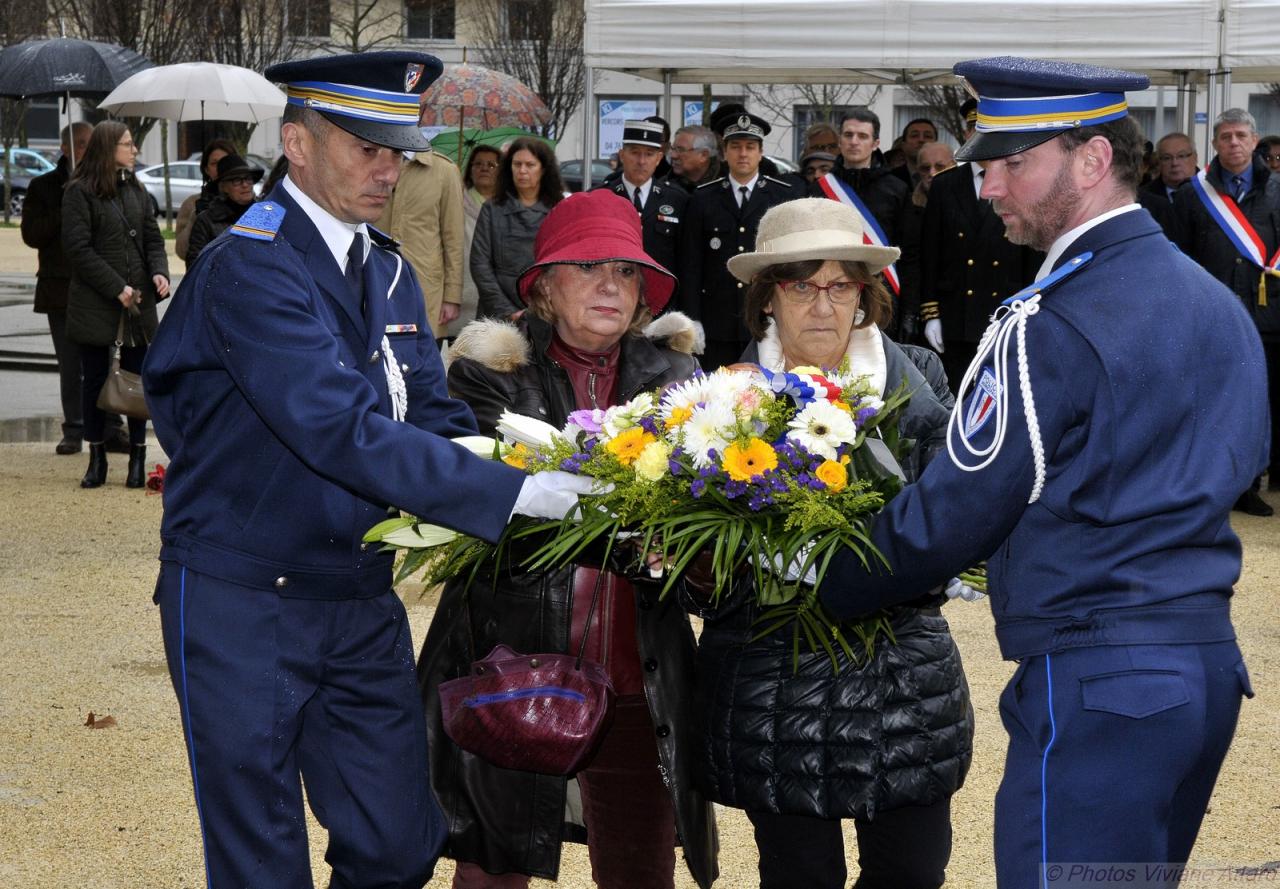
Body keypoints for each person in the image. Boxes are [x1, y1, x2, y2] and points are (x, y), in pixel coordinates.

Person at [140, 52, 597, 889]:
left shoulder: (383, 267)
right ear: (298, 144)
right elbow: (337, 428)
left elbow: (431, 414)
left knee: (397, 842)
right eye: (365, 148)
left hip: (356, 594)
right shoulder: (250, 265)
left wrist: (533, 460)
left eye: (398, 150)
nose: (388, 169)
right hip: (243, 596)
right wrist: (513, 495)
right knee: (259, 858)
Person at [812, 57, 1266, 888]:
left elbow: (960, 505)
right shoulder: (1218, 304)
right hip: (1202, 665)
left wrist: (821, 578)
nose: (987, 188)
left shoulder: (1048, 320)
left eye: (1011, 163)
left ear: (1092, 159)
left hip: (1101, 680)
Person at [419, 188, 715, 889]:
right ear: (545, 286)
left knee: (641, 870)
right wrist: (630, 521)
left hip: (640, 674)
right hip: (510, 657)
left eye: (625, 270)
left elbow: (700, 526)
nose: (610, 283)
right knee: (492, 869)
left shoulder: (678, 380)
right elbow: (487, 516)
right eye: (586, 267)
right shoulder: (490, 374)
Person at [691, 197, 973, 889]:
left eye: (840, 284)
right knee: (798, 876)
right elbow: (702, 569)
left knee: (911, 870)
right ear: (767, 298)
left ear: (864, 296)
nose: (823, 304)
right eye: (800, 284)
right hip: (773, 680)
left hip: (901, 679)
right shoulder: (722, 399)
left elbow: (949, 519)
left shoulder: (919, 381)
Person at [1172, 108, 1280, 517]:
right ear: (1214, 144)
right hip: (1212, 318)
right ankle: (1213, 483)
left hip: (1268, 316)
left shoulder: (1278, 191)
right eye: (1225, 136)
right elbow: (1177, 257)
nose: (1234, 143)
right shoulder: (1191, 194)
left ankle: (1249, 483)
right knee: (1214, 402)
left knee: (1259, 402)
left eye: (1241, 135)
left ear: (1255, 142)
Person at [62, 120, 170, 489]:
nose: (134, 149)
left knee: (138, 381)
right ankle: (97, 458)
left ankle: (138, 457)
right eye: (127, 144)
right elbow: (78, 249)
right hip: (96, 303)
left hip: (138, 303)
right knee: (94, 380)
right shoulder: (79, 193)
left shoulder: (137, 189)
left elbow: (153, 239)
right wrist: (115, 287)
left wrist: (158, 272)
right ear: (108, 149)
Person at [20, 121, 128, 456]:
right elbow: (32, 235)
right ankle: (75, 428)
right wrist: (65, 203)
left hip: (100, 288)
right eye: (80, 143)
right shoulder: (44, 186)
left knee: (107, 362)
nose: (86, 149)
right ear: (65, 148)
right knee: (71, 365)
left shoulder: (107, 184)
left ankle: (110, 426)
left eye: (91, 143)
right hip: (61, 290)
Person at [679, 110, 799, 369]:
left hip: (766, 318)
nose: (743, 154)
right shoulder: (702, 198)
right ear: (724, 152)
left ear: (760, 152)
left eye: (750, 147)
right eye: (735, 146)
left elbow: (791, 262)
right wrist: (693, 319)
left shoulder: (781, 196)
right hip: (717, 321)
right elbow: (691, 264)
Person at [918, 145, 1042, 391]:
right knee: (956, 394)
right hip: (956, 314)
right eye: (973, 127)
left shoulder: (1021, 180)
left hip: (1003, 311)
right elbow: (930, 253)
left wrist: (1029, 311)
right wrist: (931, 313)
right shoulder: (946, 184)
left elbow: (1032, 254)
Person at [810, 109, 918, 343]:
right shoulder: (821, 189)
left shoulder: (896, 190)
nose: (854, 142)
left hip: (882, 295)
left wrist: (910, 312)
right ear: (839, 140)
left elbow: (909, 255)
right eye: (848, 135)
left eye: (862, 136)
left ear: (876, 142)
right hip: (831, 293)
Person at [378, 141, 465, 342]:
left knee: (422, 360)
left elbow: (454, 239)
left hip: (426, 288)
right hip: (377, 281)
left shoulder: (444, 171)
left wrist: (452, 297)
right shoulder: (371, 160)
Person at [471, 136, 564, 321]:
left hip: (546, 311)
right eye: (517, 164)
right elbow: (480, 264)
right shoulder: (492, 208)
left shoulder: (559, 209)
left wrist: (542, 308)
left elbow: (564, 266)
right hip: (496, 312)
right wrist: (507, 311)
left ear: (543, 169)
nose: (522, 171)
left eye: (530, 165)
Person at [602, 119, 687, 295]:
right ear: (622, 154)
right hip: (613, 294)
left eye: (649, 154)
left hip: (660, 299)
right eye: (635, 152)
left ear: (658, 159)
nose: (641, 161)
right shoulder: (602, 197)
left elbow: (686, 261)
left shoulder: (678, 200)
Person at [456, 144, 502, 340]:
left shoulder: (506, 206)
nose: (484, 168)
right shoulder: (457, 200)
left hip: (494, 292)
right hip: (461, 288)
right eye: (478, 164)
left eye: (491, 165)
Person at [184, 153, 262, 263]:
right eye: (237, 181)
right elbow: (196, 265)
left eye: (248, 179)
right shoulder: (207, 221)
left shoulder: (264, 216)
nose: (245, 185)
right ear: (223, 186)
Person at [174, 137, 235, 263]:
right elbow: (181, 251)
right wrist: (195, 218)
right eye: (214, 163)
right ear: (206, 169)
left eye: (225, 161)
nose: (220, 167)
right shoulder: (191, 203)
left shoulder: (247, 201)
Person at [1141, 132, 1198, 203]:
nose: (1175, 163)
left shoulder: (1211, 191)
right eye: (1167, 158)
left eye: (1181, 156)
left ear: (1195, 158)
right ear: (1159, 161)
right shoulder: (1142, 197)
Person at [668, 124, 720, 193]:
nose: (673, 155)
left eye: (681, 150)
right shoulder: (664, 188)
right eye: (673, 149)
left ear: (703, 155)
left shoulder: (728, 186)